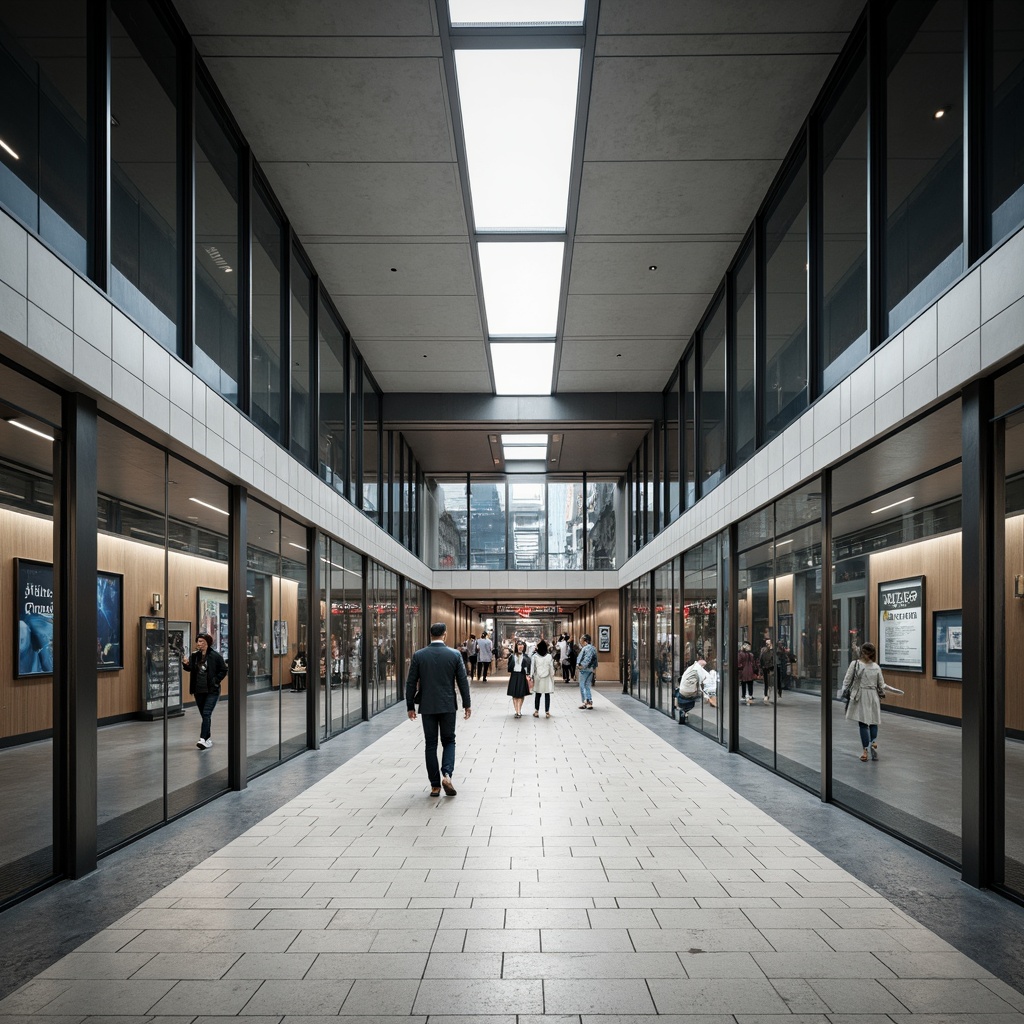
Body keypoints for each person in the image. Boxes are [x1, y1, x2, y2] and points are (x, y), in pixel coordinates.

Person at [406, 622, 471, 796]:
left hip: (427, 706)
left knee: (430, 744)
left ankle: (435, 785)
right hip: (448, 704)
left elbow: (411, 682)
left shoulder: (419, 655)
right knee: (449, 741)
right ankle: (447, 775)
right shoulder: (455, 655)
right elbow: (462, 681)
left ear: (430, 635)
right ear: (445, 634)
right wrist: (467, 704)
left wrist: (410, 706)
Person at [841, 641, 887, 762]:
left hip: (860, 696)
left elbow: (847, 680)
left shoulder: (855, 664)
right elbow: (881, 685)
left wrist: (844, 692)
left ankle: (865, 751)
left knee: (863, 723)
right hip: (873, 696)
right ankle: (873, 744)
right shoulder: (876, 667)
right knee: (873, 722)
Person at [182, 632, 227, 749]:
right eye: (198, 641)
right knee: (204, 715)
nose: (199, 643)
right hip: (198, 690)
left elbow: (223, 670)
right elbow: (190, 668)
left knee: (206, 713)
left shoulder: (215, 656)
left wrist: (215, 681)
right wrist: (186, 664)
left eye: (201, 641)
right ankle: (208, 739)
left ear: (207, 643)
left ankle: (202, 739)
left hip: (212, 690)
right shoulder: (195, 656)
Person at [676, 656, 708, 724]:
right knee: (697, 698)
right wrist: (705, 695)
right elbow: (700, 683)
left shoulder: (690, 668)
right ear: (702, 666)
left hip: (681, 691)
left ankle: (682, 709)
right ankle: (685, 710)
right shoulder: (698, 670)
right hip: (689, 692)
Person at [506, 639, 532, 718]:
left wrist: (528, 675)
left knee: (521, 694)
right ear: (516, 647)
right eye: (519, 646)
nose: (520, 647)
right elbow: (509, 668)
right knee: (514, 694)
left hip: (522, 675)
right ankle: (516, 711)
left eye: (522, 646)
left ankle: (519, 711)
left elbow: (528, 667)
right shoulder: (512, 656)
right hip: (514, 675)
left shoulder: (526, 657)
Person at [531, 638, 556, 717]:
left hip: (538, 677)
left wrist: (531, 676)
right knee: (547, 694)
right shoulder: (549, 656)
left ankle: (536, 711)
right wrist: (552, 675)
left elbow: (532, 667)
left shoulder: (535, 656)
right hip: (547, 677)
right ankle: (547, 712)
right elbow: (551, 668)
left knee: (538, 694)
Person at [576, 632, 598, 709]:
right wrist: (594, 669)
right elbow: (595, 660)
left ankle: (585, 701)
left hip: (584, 669)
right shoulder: (593, 648)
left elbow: (587, 659)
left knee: (582, 685)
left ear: (585, 640)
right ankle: (589, 701)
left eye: (581, 639)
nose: (580, 641)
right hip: (591, 669)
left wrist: (581, 666)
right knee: (587, 685)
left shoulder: (586, 648)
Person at [758, 637, 777, 704]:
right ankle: (766, 694)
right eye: (767, 643)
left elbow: (774, 660)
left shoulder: (773, 651)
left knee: (770, 682)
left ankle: (768, 694)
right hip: (765, 668)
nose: (768, 644)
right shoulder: (763, 650)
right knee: (766, 682)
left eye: (769, 643)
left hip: (771, 667)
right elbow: (761, 659)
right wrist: (761, 668)